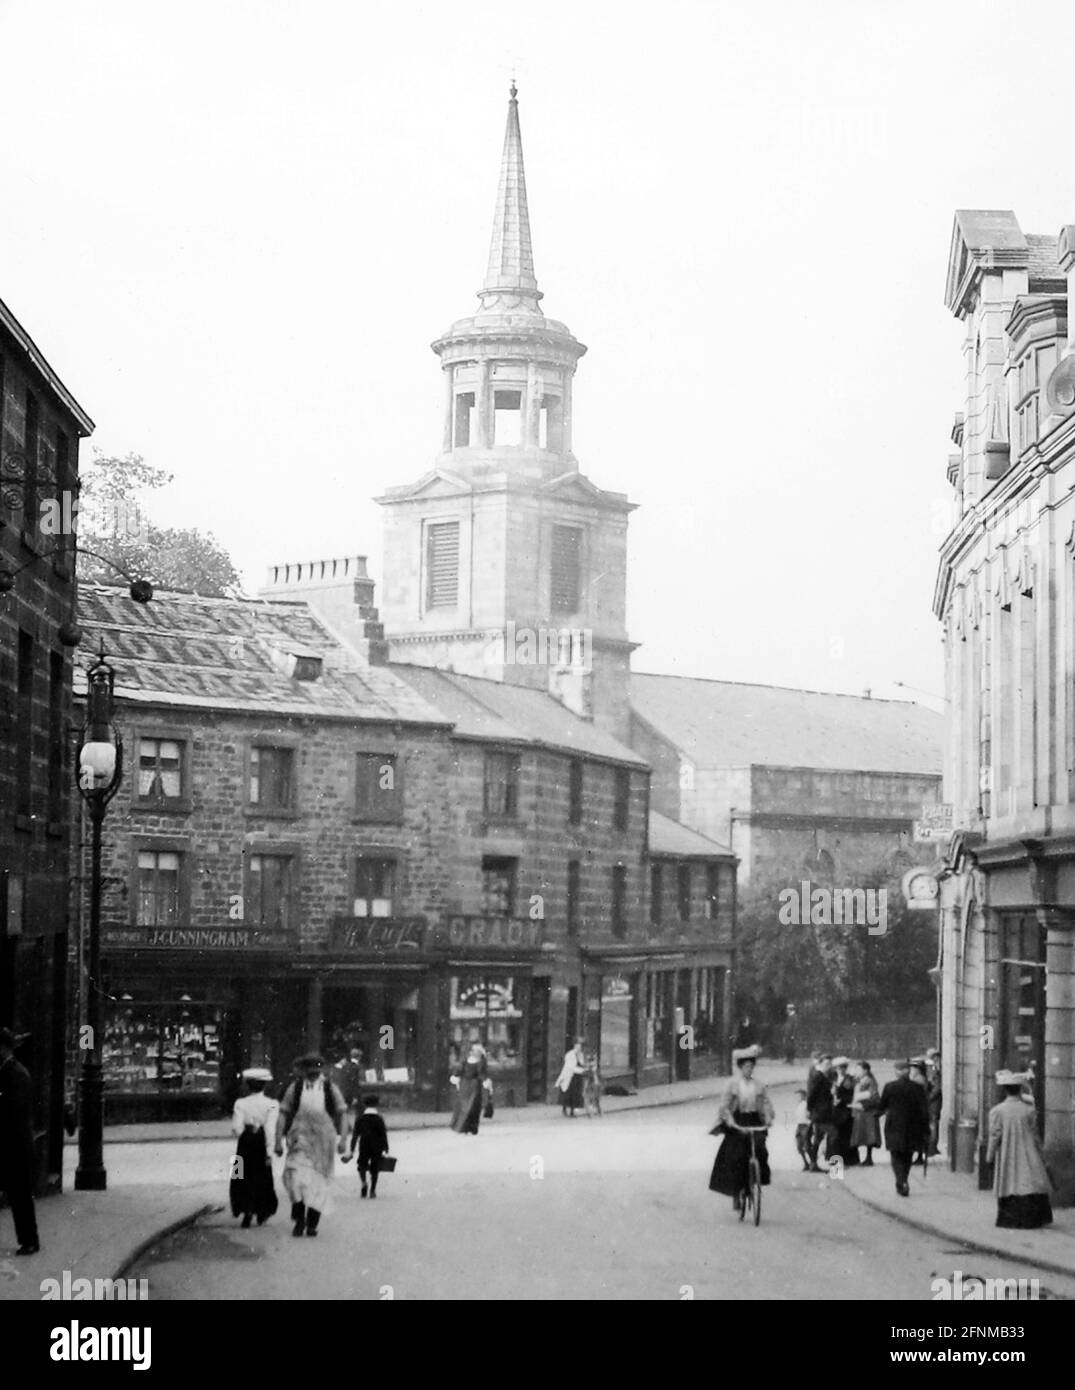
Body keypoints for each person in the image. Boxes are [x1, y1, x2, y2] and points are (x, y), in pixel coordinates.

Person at [274, 1054, 348, 1237]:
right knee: (295, 1179)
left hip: (324, 1140)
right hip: (299, 1137)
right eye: (310, 1069)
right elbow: (283, 1113)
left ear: (322, 1069)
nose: (314, 1072)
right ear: (304, 1070)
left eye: (317, 1068)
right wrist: (277, 1140)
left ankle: (312, 1223)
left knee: (319, 1182)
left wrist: (343, 1140)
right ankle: (299, 1219)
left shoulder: (330, 1088)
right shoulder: (296, 1088)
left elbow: (342, 1113)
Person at [708, 1045, 774, 1210]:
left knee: (760, 1150)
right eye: (746, 1067)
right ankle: (737, 1193)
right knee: (737, 1157)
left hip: (754, 1119)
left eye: (751, 1067)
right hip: (737, 1120)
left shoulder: (759, 1085)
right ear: (740, 1068)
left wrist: (768, 1118)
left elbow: (766, 1103)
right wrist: (730, 1121)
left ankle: (756, 1180)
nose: (749, 1070)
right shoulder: (732, 1084)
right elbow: (724, 1107)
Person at [986, 1070, 1053, 1230]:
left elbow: (994, 1136)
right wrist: (1041, 1154)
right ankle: (1033, 1218)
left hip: (1007, 1153)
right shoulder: (1028, 1110)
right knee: (1028, 1180)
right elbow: (1035, 1136)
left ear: (1005, 1090)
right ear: (1020, 1089)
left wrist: (989, 1157)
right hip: (1028, 1151)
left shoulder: (997, 1111)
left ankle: (1009, 1218)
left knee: (1009, 1181)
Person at [0, 1028, 39, 1255]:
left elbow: (14, 1111)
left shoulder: (16, 1074)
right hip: (11, 1145)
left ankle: (30, 1241)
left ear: (3, 1048)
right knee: (18, 1195)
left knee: (20, 1196)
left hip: (16, 1147)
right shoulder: (9, 1071)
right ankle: (28, 1239)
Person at [229, 1067, 279, 1228]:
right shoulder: (271, 1104)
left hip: (245, 1142)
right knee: (262, 1176)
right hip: (261, 1141)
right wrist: (269, 1151)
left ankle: (245, 1210)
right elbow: (270, 1129)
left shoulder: (240, 1103)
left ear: (247, 1085)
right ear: (264, 1085)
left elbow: (237, 1127)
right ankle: (262, 1211)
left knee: (240, 1173)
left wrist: (243, 1133)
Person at [876, 1059, 931, 1197]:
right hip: (913, 1126)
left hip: (894, 1126)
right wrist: (926, 1129)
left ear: (897, 1072)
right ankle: (904, 1180)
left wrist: (876, 1113)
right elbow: (924, 1110)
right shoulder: (917, 1088)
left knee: (895, 1155)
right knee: (908, 1155)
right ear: (908, 1072)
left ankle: (901, 1181)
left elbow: (882, 1106)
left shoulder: (890, 1087)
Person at [344, 1094, 390, 1199]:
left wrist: (352, 1149)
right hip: (377, 1146)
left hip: (364, 1144)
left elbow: (355, 1135)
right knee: (375, 1168)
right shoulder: (379, 1119)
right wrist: (386, 1148)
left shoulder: (360, 1119)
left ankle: (364, 1183)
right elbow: (383, 1134)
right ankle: (373, 1190)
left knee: (361, 1165)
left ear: (365, 1105)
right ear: (376, 1105)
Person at [449, 1042, 487, 1135]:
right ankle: (462, 1127)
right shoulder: (465, 1061)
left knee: (473, 1107)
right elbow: (459, 1070)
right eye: (473, 1050)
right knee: (464, 1107)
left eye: (477, 1051)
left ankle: (472, 1128)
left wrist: (485, 1081)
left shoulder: (482, 1062)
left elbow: (482, 1074)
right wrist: (456, 1076)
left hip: (475, 1086)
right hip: (465, 1085)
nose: (474, 1052)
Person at [806, 1052, 835, 1171]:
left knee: (818, 1138)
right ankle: (835, 1168)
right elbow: (811, 1094)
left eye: (830, 1063)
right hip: (820, 1112)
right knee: (834, 1135)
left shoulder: (822, 1076)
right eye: (827, 1063)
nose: (829, 1066)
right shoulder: (819, 1076)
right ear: (821, 1063)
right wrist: (809, 1109)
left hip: (821, 1112)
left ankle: (813, 1164)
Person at [849, 1060, 881, 1166]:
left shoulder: (870, 1081)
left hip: (867, 1111)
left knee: (869, 1135)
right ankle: (863, 1157)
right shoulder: (858, 1080)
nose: (857, 1071)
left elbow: (873, 1096)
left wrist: (861, 1100)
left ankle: (868, 1157)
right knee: (861, 1134)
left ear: (865, 1070)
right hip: (860, 1111)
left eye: (859, 1069)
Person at [831, 1057, 857, 1166]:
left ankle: (848, 1159)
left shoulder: (849, 1079)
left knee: (846, 1134)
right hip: (836, 1110)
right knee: (836, 1135)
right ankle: (837, 1159)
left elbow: (851, 1095)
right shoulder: (834, 1079)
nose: (840, 1070)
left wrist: (841, 1100)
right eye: (838, 1068)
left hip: (845, 1110)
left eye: (843, 1068)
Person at [556, 1038, 586, 1118]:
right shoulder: (570, 1055)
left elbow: (582, 1064)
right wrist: (582, 1071)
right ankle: (565, 1109)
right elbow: (571, 1067)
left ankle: (572, 1111)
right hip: (570, 1077)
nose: (579, 1048)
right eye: (577, 1046)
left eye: (580, 1046)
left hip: (577, 1078)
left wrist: (584, 1069)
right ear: (574, 1046)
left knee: (576, 1094)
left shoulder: (581, 1055)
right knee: (569, 1094)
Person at [925, 1049, 942, 1158]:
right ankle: (931, 1147)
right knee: (933, 1123)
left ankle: (932, 1146)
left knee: (933, 1123)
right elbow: (936, 1086)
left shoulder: (932, 1068)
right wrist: (929, 1098)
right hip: (933, 1102)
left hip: (932, 1101)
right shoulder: (933, 1068)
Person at [792, 1088, 811, 1171]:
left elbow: (808, 1115)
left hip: (805, 1126)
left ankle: (812, 1163)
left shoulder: (806, 1104)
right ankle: (806, 1163)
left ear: (803, 1096)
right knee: (799, 1147)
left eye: (799, 1095)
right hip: (799, 1126)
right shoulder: (799, 1105)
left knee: (806, 1146)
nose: (798, 1097)